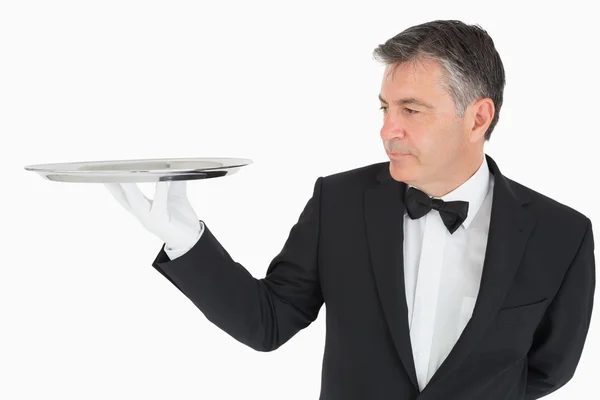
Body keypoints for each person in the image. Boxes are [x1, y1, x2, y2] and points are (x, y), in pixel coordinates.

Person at [104, 19, 595, 400]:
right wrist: (187, 239)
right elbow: (268, 322)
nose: (387, 130)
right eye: (384, 108)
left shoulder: (562, 234)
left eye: (411, 109)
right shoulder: (338, 203)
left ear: (478, 117)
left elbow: (548, 368)